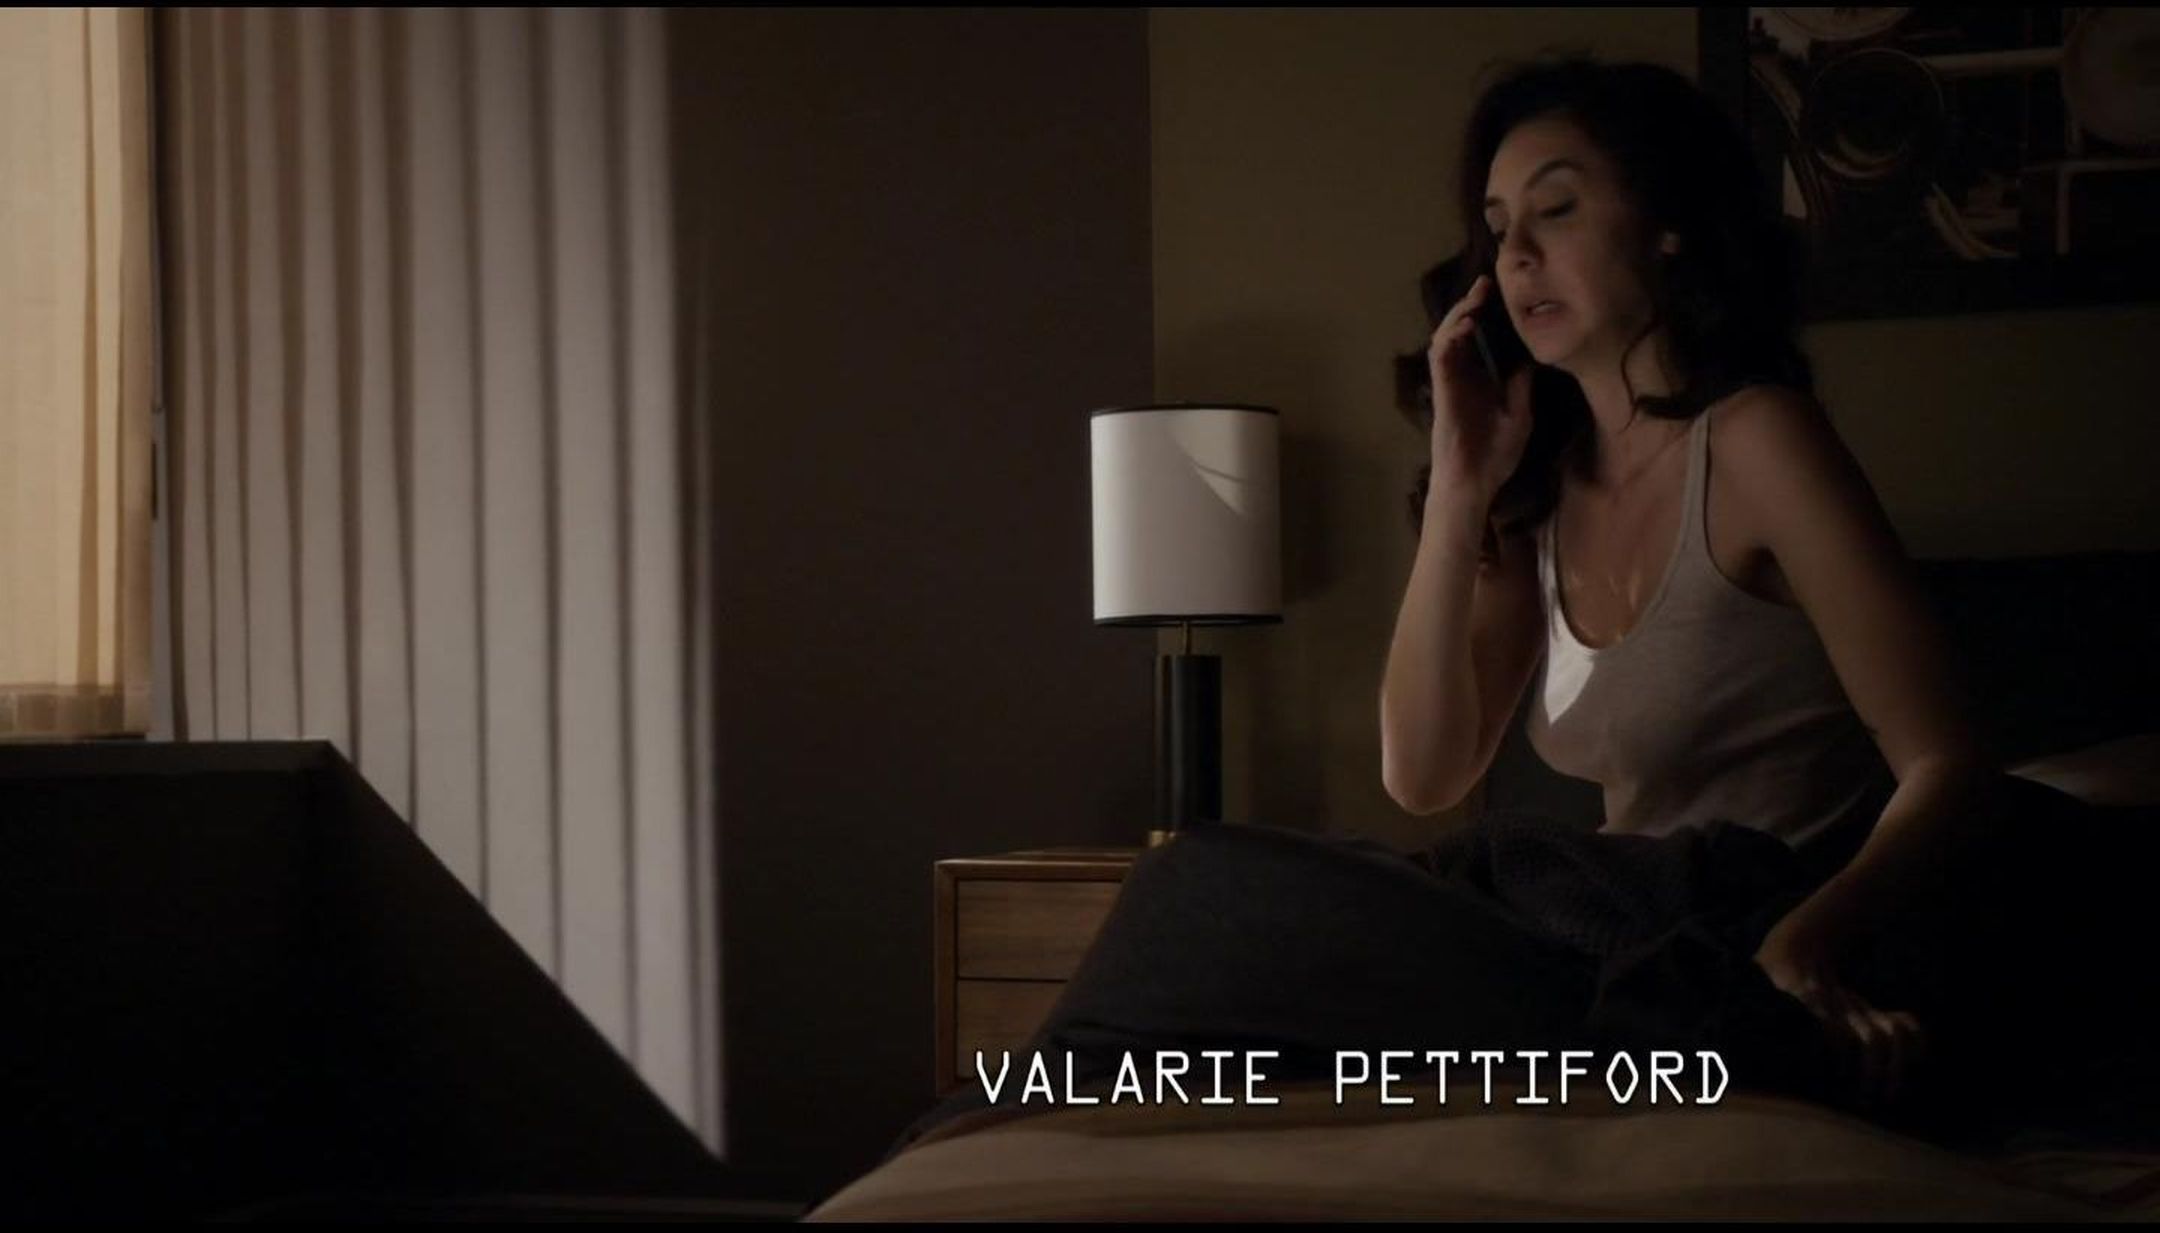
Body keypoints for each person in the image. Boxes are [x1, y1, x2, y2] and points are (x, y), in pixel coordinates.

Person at [1378, 57, 2003, 1117]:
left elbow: (1950, 765)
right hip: (1620, 932)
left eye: (1557, 209)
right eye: (1497, 227)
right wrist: (1458, 486)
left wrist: (1800, 949)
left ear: (1668, 225)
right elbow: (1423, 773)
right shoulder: (1535, 488)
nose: (1517, 254)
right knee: (1216, 889)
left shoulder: (1757, 439)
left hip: (1757, 926)